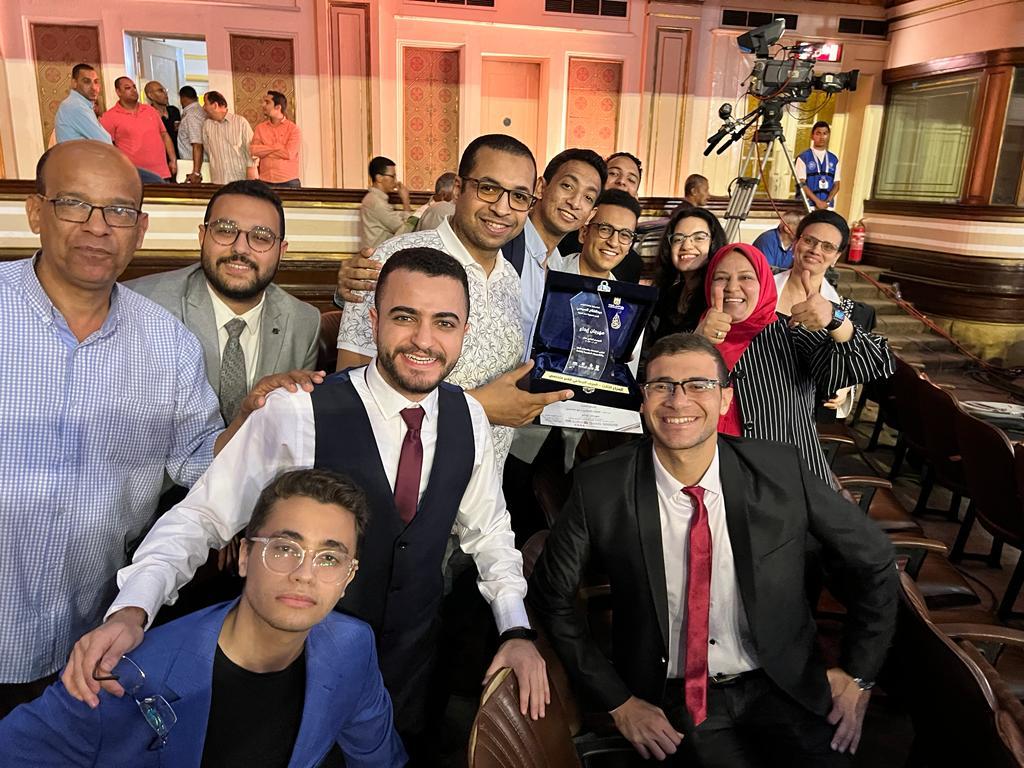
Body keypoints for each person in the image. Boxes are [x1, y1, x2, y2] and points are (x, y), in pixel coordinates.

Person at [63, 248, 549, 764]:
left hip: (414, 671)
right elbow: (199, 517)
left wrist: (516, 629)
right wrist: (132, 609)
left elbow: (489, 533)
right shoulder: (296, 410)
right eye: (405, 317)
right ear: (374, 321)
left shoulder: (470, 417)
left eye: (444, 323)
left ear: (464, 331)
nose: (424, 340)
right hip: (297, 677)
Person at [530, 332, 898, 767]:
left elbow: (874, 558)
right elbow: (552, 597)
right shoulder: (600, 485)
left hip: (784, 683)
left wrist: (860, 674)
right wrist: (619, 702)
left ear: (725, 398)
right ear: (643, 400)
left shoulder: (779, 468)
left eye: (698, 385)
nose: (678, 400)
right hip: (674, 695)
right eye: (662, 386)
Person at [0, 140, 225, 716]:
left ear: (140, 229)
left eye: (120, 211)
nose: (98, 227)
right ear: (35, 211)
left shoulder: (168, 344)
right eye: (74, 203)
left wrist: (254, 420)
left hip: (89, 642)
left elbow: (201, 463)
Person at [2, 469, 406, 767]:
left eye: (329, 558)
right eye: (285, 548)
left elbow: (379, 757)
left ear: (348, 578)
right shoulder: (120, 674)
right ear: (244, 556)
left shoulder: (353, 647)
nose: (304, 574)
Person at [337, 134, 575, 468]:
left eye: (519, 196)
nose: (502, 208)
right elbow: (349, 394)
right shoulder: (394, 260)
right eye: (488, 188)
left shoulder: (510, 276)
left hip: (486, 481)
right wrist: (477, 407)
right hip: (405, 477)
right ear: (459, 189)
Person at [695, 241, 893, 486]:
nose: (732, 287)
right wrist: (697, 342)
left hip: (787, 485)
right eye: (721, 278)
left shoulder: (791, 333)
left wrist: (836, 319)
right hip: (711, 482)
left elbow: (876, 362)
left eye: (746, 277)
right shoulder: (692, 340)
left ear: (764, 283)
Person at [127, 180, 320, 422]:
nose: (240, 248)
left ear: (281, 252)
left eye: (261, 237)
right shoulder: (145, 305)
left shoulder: (304, 322)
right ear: (202, 236)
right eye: (225, 230)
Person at [774, 209, 860, 418]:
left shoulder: (843, 311)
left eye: (827, 247)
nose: (815, 250)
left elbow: (852, 361)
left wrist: (847, 385)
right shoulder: (760, 290)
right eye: (809, 240)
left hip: (805, 413)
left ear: (836, 257)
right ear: (796, 243)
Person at [559, 151, 645, 283]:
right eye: (613, 173)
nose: (622, 181)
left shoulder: (632, 264)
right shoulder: (562, 237)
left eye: (631, 179)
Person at [647, 206, 727, 344]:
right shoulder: (668, 295)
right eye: (678, 239)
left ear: (714, 242)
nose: (686, 246)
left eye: (699, 238)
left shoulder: (717, 298)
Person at [549, 188, 640, 280]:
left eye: (625, 235)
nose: (613, 243)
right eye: (605, 229)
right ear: (584, 233)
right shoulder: (548, 271)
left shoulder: (621, 289)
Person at [100, 77, 177, 183]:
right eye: (128, 88)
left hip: (161, 173)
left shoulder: (150, 110)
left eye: (134, 87)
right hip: (133, 176)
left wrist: (173, 160)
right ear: (118, 92)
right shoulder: (109, 117)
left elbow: (164, 135)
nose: (133, 90)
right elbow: (107, 147)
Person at [202, 90, 256, 185]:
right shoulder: (207, 125)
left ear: (215, 105)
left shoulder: (240, 122)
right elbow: (207, 149)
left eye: (205, 104)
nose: (203, 107)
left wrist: (251, 175)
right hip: (218, 180)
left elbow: (251, 150)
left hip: (240, 179)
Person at [360, 155, 413, 250]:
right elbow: (405, 230)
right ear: (379, 178)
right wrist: (405, 200)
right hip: (379, 255)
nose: (396, 181)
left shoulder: (375, 199)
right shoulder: (376, 202)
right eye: (392, 176)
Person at [251, 90, 302, 188]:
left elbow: (289, 154)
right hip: (265, 180)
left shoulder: (293, 129)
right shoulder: (260, 128)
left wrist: (265, 150)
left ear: (278, 107)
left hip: (288, 181)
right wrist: (277, 147)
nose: (263, 105)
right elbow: (254, 150)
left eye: (267, 102)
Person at [54, 63, 112, 144]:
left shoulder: (76, 103)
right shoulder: (76, 106)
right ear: (74, 83)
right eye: (87, 82)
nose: (94, 88)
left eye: (96, 82)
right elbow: (105, 142)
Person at [796, 121, 841, 210]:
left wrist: (827, 201)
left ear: (828, 136)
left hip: (827, 207)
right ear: (812, 136)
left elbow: (836, 184)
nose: (822, 137)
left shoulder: (833, 159)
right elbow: (801, 183)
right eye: (818, 133)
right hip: (808, 206)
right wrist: (817, 202)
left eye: (825, 133)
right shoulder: (803, 157)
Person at [143, 80, 181, 158]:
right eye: (160, 91)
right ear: (150, 95)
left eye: (165, 90)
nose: (165, 93)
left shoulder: (174, 111)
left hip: (178, 155)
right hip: (159, 157)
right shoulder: (148, 115)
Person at [177, 86, 206, 181]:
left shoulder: (192, 115)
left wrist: (196, 172)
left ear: (183, 98)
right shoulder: (199, 111)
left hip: (193, 165)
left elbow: (197, 144)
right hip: (198, 164)